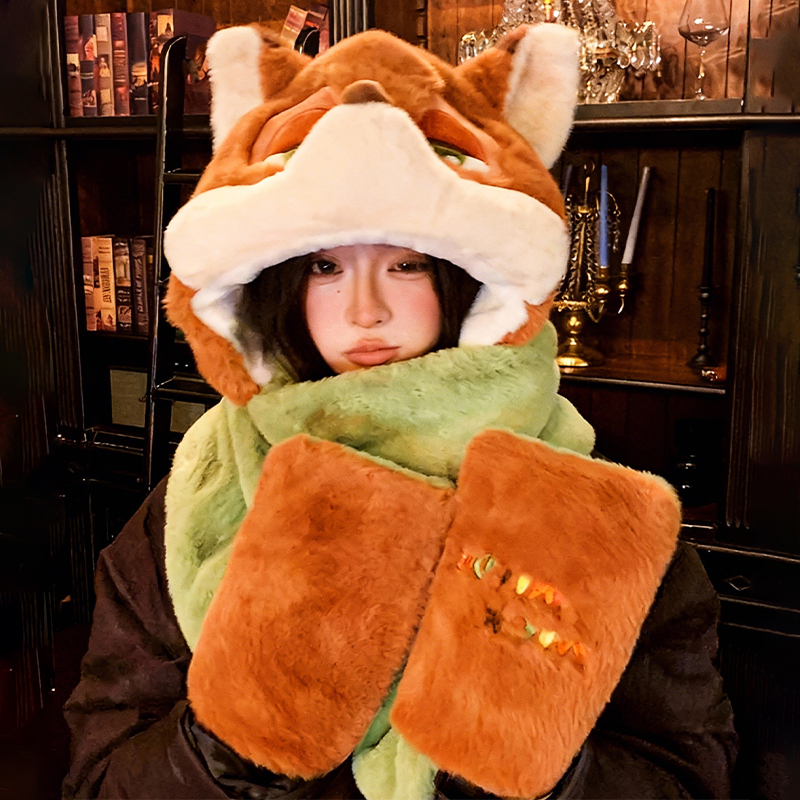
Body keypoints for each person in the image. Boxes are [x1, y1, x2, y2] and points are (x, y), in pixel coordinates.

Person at [63, 23, 737, 800]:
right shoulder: (193, 500)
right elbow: (98, 779)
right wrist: (235, 741)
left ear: (467, 276)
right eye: (325, 265)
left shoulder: (585, 507)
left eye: (407, 264)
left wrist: (530, 764)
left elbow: (690, 776)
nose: (366, 310)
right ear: (275, 282)